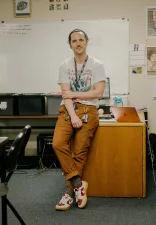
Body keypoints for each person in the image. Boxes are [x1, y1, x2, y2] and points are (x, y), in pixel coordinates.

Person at [52, 29, 106, 211]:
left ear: (86, 41)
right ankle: (77, 183)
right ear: (70, 44)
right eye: (74, 41)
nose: (78, 43)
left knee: (79, 153)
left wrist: (74, 93)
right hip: (69, 110)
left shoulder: (97, 65)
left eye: (81, 40)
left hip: (89, 109)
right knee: (58, 143)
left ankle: (68, 194)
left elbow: (98, 93)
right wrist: (73, 115)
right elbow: (65, 96)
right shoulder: (64, 65)